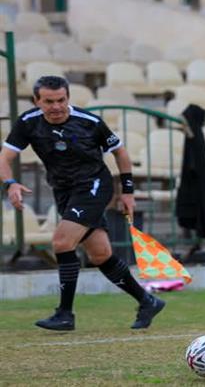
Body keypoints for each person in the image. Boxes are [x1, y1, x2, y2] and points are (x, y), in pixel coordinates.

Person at [0, 76, 165, 331]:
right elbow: (5, 157)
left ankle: (65, 314)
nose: (56, 107)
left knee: (61, 242)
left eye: (61, 100)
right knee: (100, 255)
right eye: (49, 101)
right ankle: (147, 301)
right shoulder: (28, 122)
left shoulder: (89, 122)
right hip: (64, 190)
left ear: (68, 98)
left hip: (93, 186)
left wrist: (128, 192)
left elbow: (120, 152)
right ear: (37, 101)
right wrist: (10, 183)